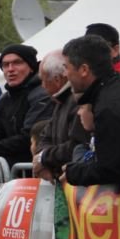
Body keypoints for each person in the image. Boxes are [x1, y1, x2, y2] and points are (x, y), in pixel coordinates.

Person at [60, 34, 120, 186]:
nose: (65, 74)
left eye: (66, 68)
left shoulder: (110, 106)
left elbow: (113, 168)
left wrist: (73, 173)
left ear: (84, 70)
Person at [0, 44, 53, 168]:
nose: (10, 69)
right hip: (14, 171)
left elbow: (28, 138)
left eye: (17, 63)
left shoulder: (42, 94)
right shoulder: (5, 99)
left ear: (31, 67)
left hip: (36, 170)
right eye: (5, 65)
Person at [34, 50, 87, 182]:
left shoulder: (76, 100)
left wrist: (44, 157)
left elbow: (76, 145)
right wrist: (43, 161)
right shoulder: (59, 101)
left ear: (57, 80)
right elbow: (45, 137)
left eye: (43, 80)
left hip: (77, 182)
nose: (42, 86)